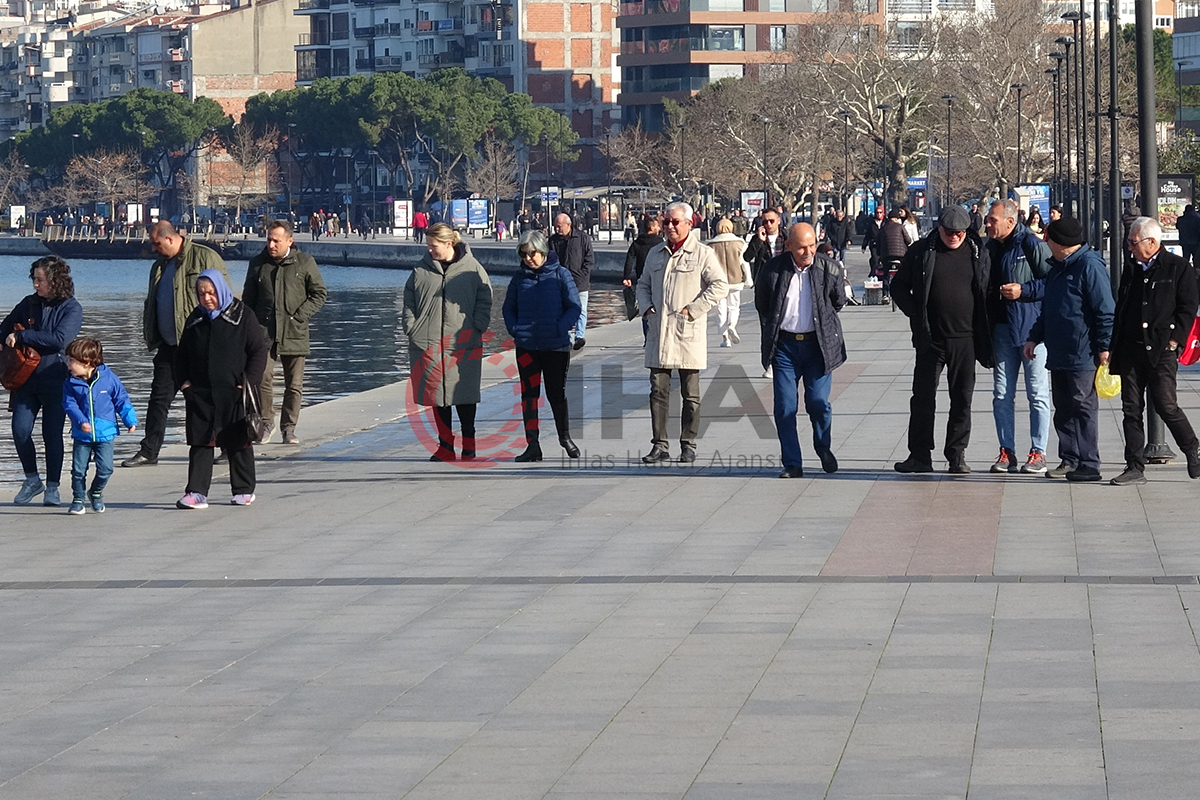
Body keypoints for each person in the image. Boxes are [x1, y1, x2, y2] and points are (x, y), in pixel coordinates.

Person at [891, 205, 995, 474]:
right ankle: (920, 455)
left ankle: (957, 454)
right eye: (949, 232)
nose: (954, 237)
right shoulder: (922, 251)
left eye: (959, 232)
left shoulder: (978, 252)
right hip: (931, 338)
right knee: (923, 398)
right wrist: (915, 313)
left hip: (965, 339)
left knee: (962, 398)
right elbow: (898, 286)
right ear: (939, 228)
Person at [122, 221, 229, 468]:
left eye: (156, 243)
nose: (152, 248)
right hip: (169, 346)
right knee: (158, 399)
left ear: (170, 239)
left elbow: (223, 299)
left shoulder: (205, 257)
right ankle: (149, 451)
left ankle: (227, 446)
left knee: (211, 398)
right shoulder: (158, 266)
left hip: (201, 345)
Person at [1106, 216, 1200, 485]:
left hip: (1162, 349)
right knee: (1131, 409)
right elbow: (1122, 308)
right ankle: (1134, 465)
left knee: (1166, 405)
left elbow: (1188, 307)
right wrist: (1112, 347)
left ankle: (1192, 447)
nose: (1130, 247)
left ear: (1152, 242)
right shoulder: (1132, 267)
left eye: (1133, 242)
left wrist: (1174, 341)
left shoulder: (1177, 268)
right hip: (1131, 349)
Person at [1023, 217, 1115, 482]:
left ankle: (1088, 462)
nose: (1045, 243)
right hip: (1059, 350)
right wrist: (1034, 337)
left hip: (1083, 351)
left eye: (1048, 239)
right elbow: (1049, 308)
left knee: (1082, 406)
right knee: (1063, 407)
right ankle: (1070, 458)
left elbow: (1105, 310)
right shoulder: (1058, 267)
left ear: (1059, 243)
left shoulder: (1089, 266)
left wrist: (1105, 346)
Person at [635, 202, 728, 464]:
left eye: (676, 222)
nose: (670, 226)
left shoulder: (702, 253)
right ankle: (659, 445)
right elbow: (642, 285)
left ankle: (688, 444)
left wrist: (695, 309)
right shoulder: (655, 253)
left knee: (691, 395)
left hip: (687, 332)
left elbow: (720, 285)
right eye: (666, 222)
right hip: (659, 332)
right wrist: (646, 308)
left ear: (689, 223)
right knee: (658, 391)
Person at [755, 223, 847, 478]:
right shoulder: (773, 270)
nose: (808, 251)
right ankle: (792, 463)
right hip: (785, 347)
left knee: (818, 403)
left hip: (818, 346)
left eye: (812, 246)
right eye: (802, 247)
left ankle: (823, 446)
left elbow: (837, 301)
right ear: (788, 246)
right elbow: (763, 304)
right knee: (785, 406)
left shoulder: (828, 268)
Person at [174, 270, 268, 509]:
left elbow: (258, 351)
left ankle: (243, 490)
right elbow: (181, 354)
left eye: (211, 292)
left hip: (234, 391)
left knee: (238, 441)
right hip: (201, 393)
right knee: (201, 443)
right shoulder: (196, 318)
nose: (207, 298)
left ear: (221, 290)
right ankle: (196, 492)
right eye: (202, 293)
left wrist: (249, 382)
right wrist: (184, 383)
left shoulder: (243, 316)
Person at [403, 223, 493, 462]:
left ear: (448, 244)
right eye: (428, 246)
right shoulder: (420, 271)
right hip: (427, 341)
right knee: (436, 396)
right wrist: (411, 327)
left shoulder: (472, 269)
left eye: (433, 246)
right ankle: (445, 445)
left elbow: (485, 299)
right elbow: (409, 301)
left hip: (462, 340)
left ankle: (469, 443)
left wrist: (478, 326)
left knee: (463, 394)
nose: (429, 251)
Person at [1, 256, 83, 505]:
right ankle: (32, 479)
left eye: (40, 280)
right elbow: (3, 329)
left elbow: (59, 339)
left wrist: (24, 335)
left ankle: (53, 487)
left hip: (56, 379)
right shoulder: (28, 304)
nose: (36, 285)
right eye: (34, 279)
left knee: (52, 435)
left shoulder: (71, 307)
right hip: (25, 380)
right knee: (20, 430)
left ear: (55, 280)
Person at [242, 220, 327, 445]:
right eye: (269, 239)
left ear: (289, 241)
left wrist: (300, 315)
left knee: (294, 383)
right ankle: (266, 422)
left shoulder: (304, 263)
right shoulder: (258, 264)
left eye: (276, 241)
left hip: (294, 330)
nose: (271, 245)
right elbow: (248, 299)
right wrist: (248, 328)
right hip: (264, 331)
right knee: (262, 378)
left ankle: (289, 428)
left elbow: (319, 293)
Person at [985, 199, 1053, 474]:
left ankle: (1038, 451)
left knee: (1037, 392)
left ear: (1010, 222)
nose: (987, 223)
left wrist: (1023, 290)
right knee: (1002, 393)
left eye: (992, 220)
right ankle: (1007, 451)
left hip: (1031, 330)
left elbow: (1052, 280)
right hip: (1001, 329)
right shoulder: (988, 247)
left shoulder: (1031, 245)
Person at [502, 231, 583, 463]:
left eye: (532, 253)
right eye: (524, 254)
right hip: (527, 346)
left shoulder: (560, 274)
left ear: (543, 252)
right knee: (529, 395)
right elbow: (508, 308)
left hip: (555, 346)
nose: (528, 258)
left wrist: (561, 328)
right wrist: (515, 329)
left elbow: (574, 306)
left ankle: (564, 437)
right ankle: (532, 444)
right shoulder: (519, 279)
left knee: (556, 393)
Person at [62, 337, 137, 515]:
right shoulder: (70, 383)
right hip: (82, 435)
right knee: (78, 470)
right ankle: (78, 499)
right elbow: (69, 405)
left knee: (106, 469)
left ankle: (95, 492)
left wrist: (130, 420)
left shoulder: (109, 379)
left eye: (72, 361)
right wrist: (81, 422)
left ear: (86, 362)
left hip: (106, 433)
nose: (68, 364)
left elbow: (122, 400)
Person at [549, 213, 594, 350]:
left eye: (559, 226)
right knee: (562, 310)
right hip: (561, 282)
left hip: (580, 281)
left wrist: (583, 273)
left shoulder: (582, 238)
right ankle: (566, 337)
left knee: (581, 309)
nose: (557, 229)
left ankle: (579, 336)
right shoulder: (553, 240)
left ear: (568, 225)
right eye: (556, 226)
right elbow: (549, 259)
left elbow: (589, 258)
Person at [707, 218, 747, 348]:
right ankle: (732, 325)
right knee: (734, 306)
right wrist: (748, 279)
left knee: (721, 309)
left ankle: (725, 338)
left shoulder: (711, 245)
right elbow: (744, 262)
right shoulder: (739, 243)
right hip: (736, 279)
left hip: (718, 281)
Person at [742, 207, 787, 284]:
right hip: (764, 279)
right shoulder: (757, 238)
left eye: (771, 221)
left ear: (778, 221)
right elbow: (747, 257)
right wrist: (759, 241)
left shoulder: (786, 236)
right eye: (765, 222)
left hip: (783, 277)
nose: (768, 224)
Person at [1177, 204, 1200, 271]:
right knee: (1196, 259)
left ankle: (1184, 271)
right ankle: (1195, 272)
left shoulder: (1180, 219)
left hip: (1184, 242)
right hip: (1195, 242)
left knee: (1185, 258)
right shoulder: (1197, 219)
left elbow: (1177, 227)